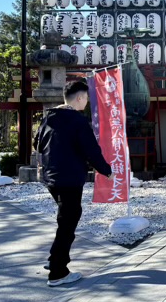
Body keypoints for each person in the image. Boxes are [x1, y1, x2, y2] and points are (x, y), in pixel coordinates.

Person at [34, 79, 112, 287]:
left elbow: (37, 144)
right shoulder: (77, 121)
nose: (86, 103)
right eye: (86, 98)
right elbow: (91, 150)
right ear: (79, 98)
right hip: (69, 179)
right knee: (68, 223)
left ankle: (54, 260)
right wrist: (106, 170)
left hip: (51, 178)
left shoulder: (47, 119)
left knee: (65, 220)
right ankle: (58, 273)